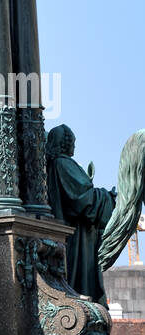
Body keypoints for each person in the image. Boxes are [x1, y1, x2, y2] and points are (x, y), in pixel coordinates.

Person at [46, 125, 115, 305]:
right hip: (75, 235)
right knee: (78, 278)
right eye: (73, 142)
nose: (74, 147)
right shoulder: (63, 163)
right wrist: (110, 197)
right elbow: (84, 200)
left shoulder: (55, 164)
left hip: (68, 233)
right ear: (65, 142)